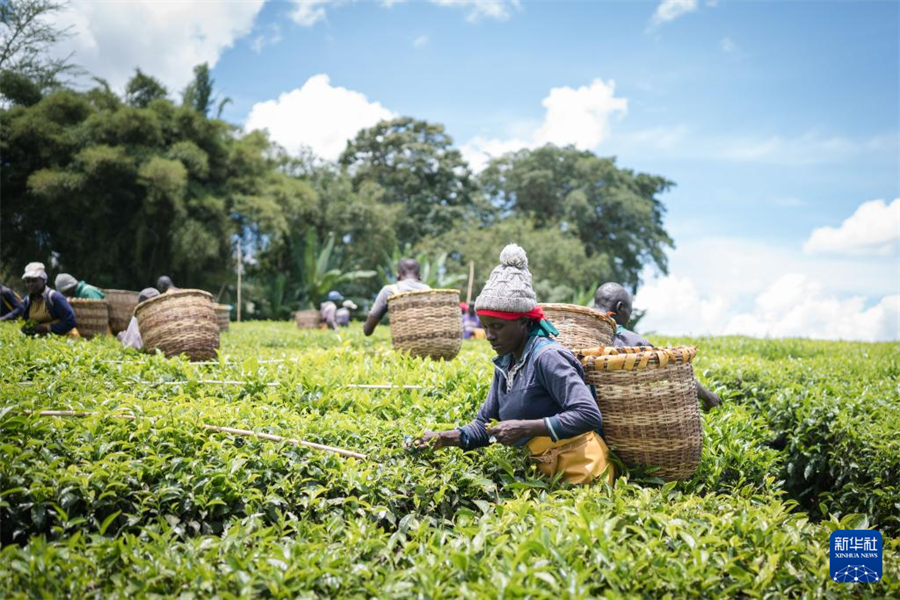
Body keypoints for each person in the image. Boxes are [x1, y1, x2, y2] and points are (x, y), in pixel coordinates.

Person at [411, 244, 614, 485]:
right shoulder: (506, 362)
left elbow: (588, 415)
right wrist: (446, 438)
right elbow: (484, 425)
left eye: (497, 326)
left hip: (580, 473)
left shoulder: (547, 357)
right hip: (542, 473)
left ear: (523, 323)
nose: (489, 335)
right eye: (485, 326)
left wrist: (526, 428)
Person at [594, 282, 722, 410]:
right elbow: (674, 373)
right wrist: (708, 396)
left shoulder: (576, 336)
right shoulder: (635, 343)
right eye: (629, 312)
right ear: (620, 308)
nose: (629, 320)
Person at [3, 262, 78, 336]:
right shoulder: (27, 301)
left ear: (43, 281)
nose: (30, 284)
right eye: (28, 281)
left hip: (66, 338)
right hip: (45, 340)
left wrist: (47, 328)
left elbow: (71, 321)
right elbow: (16, 314)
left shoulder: (54, 297)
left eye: (34, 280)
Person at [363, 258, 431, 336]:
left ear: (397, 274)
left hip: (402, 345)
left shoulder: (389, 291)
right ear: (420, 275)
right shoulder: (430, 292)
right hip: (432, 344)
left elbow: (367, 330)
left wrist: (366, 326)